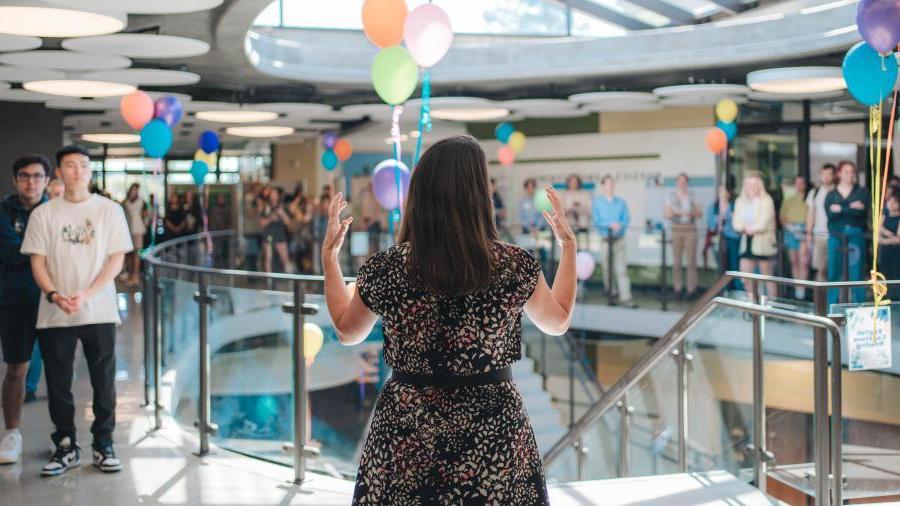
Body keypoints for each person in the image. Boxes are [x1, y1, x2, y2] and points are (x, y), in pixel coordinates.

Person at [322, 136, 574, 504]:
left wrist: (330, 257)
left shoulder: (388, 267)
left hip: (409, 427)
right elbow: (559, 320)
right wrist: (569, 248)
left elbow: (347, 331)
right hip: (492, 431)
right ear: (478, 194)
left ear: (420, 194)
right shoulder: (514, 266)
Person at [21, 145, 132, 476]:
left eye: (84, 165)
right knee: (58, 382)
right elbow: (37, 262)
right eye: (70, 165)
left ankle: (103, 443)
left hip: (99, 310)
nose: (78, 171)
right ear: (59, 172)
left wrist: (87, 293)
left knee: (104, 381)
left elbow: (116, 259)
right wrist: (55, 295)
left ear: (90, 171)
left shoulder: (109, 210)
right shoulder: (44, 214)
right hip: (56, 312)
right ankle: (65, 444)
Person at [0, 154, 50, 464]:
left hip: (52, 298)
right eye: (24, 176)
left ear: (46, 180)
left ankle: (64, 435)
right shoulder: (3, 212)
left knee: (58, 372)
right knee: (16, 368)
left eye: (37, 176)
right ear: (15, 180)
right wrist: (45, 249)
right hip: (14, 300)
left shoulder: (57, 211)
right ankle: (11, 434)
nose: (30, 182)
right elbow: (11, 251)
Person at [825, 160, 868, 305]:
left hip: (856, 235)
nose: (850, 175)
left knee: (857, 273)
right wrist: (851, 208)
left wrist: (841, 209)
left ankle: (859, 309)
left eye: (852, 172)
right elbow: (830, 215)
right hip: (836, 235)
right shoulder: (831, 194)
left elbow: (861, 213)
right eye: (846, 172)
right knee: (834, 272)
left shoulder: (861, 192)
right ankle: (831, 308)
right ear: (839, 173)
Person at [592, 175, 637, 308]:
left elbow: (626, 219)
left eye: (612, 184)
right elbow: (597, 221)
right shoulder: (597, 203)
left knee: (621, 270)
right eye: (607, 184)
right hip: (605, 240)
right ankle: (612, 294)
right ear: (603, 186)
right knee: (607, 270)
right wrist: (610, 224)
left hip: (619, 240)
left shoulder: (621, 202)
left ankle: (626, 297)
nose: (610, 186)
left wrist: (619, 225)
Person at [733, 172, 778, 297]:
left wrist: (750, 228)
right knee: (746, 276)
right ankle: (753, 304)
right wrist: (744, 228)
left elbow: (763, 223)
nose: (752, 187)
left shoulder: (767, 200)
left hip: (763, 244)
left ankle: (771, 307)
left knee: (767, 277)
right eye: (749, 184)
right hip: (747, 242)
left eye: (755, 184)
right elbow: (736, 223)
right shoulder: (740, 201)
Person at [665, 173, 702, 299]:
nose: (682, 183)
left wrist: (678, 212)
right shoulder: (670, 196)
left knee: (691, 262)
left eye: (684, 181)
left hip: (690, 230)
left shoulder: (693, 196)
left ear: (687, 183)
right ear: (676, 183)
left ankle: (691, 290)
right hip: (676, 229)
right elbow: (668, 214)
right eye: (679, 181)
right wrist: (686, 213)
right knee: (677, 262)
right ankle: (677, 289)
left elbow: (699, 212)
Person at [706, 184, 741, 288]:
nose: (722, 193)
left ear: (729, 193)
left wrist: (727, 219)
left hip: (733, 239)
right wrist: (718, 221)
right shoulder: (714, 207)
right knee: (721, 265)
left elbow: (737, 224)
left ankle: (737, 289)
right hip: (719, 240)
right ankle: (725, 289)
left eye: (724, 191)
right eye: (720, 191)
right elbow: (711, 225)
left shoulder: (734, 205)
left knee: (734, 264)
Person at [781, 176, 810, 299]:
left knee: (803, 261)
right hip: (791, 230)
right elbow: (782, 217)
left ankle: (803, 288)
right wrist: (790, 227)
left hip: (804, 229)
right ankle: (797, 286)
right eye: (797, 183)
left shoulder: (809, 198)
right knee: (794, 260)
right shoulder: (788, 200)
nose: (799, 185)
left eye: (801, 183)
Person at [805, 164, 835, 282]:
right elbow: (810, 214)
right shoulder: (815, 192)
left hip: (835, 235)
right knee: (820, 268)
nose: (826, 177)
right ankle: (821, 298)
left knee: (835, 267)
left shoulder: (838, 191)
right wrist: (808, 234)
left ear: (834, 175)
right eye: (824, 174)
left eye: (829, 174)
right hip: (819, 234)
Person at [259, 186, 294, 273]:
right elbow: (262, 223)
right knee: (268, 258)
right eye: (272, 194)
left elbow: (289, 222)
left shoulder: (283, 207)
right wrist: (271, 218)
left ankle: (290, 281)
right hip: (269, 236)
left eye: (276, 194)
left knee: (285, 258)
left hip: (280, 236)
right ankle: (269, 281)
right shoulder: (266, 207)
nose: (274, 196)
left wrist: (281, 213)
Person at [120, 183, 147, 287]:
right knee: (128, 253)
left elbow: (146, 215)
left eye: (136, 190)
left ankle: (135, 275)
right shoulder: (125, 202)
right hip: (127, 229)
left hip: (138, 229)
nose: (134, 192)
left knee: (137, 253)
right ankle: (129, 273)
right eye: (133, 189)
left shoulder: (142, 202)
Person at [880, 191, 900, 301]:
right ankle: (886, 297)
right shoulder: (884, 216)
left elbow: (898, 240)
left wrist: (886, 237)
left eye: (895, 202)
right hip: (885, 252)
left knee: (896, 275)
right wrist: (890, 236)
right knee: (885, 274)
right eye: (889, 201)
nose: (891, 204)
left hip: (896, 252)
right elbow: (878, 235)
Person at [562, 174, 592, 248]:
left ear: (579, 183)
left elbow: (589, 210)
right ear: (568, 183)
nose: (573, 184)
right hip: (569, 227)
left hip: (582, 227)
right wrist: (570, 209)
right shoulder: (564, 195)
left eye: (575, 182)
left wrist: (579, 208)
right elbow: (560, 212)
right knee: (570, 249)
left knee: (583, 248)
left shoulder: (585, 195)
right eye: (571, 182)